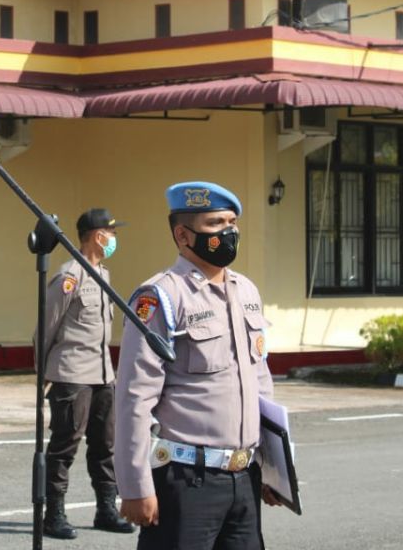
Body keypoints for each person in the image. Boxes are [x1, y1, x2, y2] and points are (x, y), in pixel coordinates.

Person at [114, 181, 275, 550]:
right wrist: (136, 486)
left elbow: (261, 383)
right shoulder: (161, 296)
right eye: (216, 224)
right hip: (187, 482)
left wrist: (274, 471)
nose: (229, 233)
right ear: (183, 235)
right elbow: (134, 398)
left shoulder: (247, 291)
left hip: (244, 478)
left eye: (232, 223)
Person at [37, 208, 135, 539]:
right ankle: (54, 515)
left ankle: (106, 510)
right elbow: (46, 325)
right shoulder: (69, 276)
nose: (114, 239)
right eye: (112, 233)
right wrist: (41, 373)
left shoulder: (102, 274)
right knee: (65, 446)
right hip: (72, 373)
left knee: (105, 446)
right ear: (97, 235)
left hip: (103, 373)